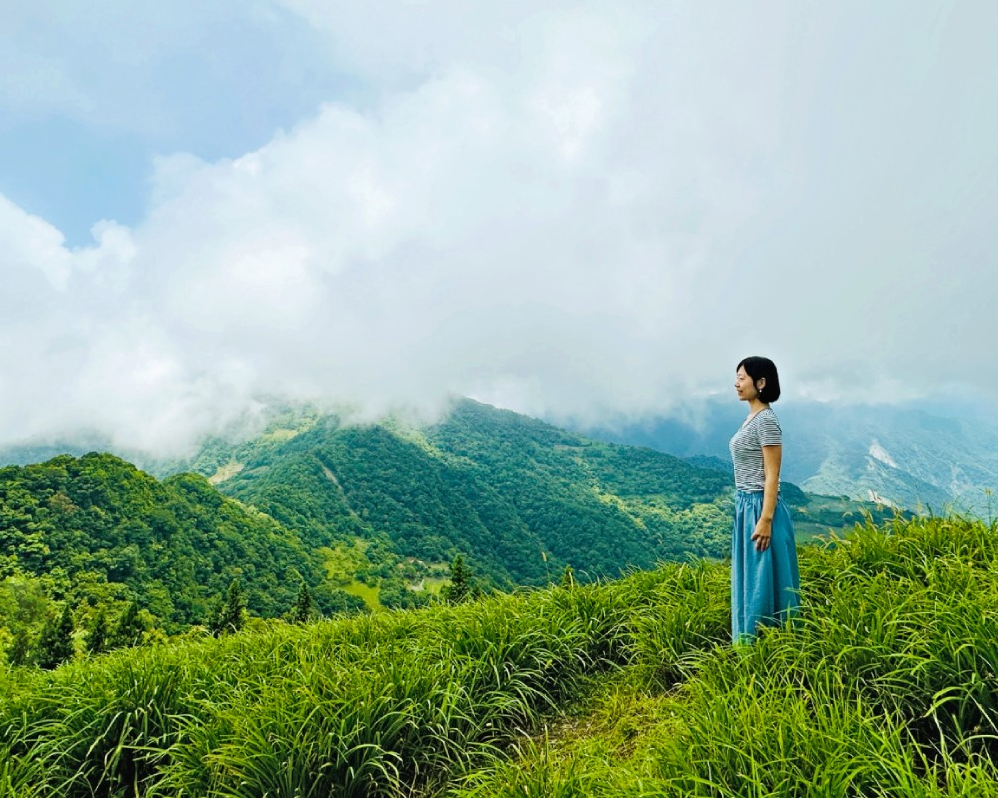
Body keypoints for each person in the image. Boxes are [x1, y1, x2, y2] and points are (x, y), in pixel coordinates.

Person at [729, 356, 800, 643]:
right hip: (746, 505)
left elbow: (772, 475)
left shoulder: (767, 421)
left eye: (743, 377)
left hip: (761, 506)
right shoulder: (752, 419)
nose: (737, 383)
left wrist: (766, 519)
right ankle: (752, 645)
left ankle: (766, 646)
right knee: (753, 577)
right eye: (736, 376)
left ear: (761, 383)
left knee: (763, 579)